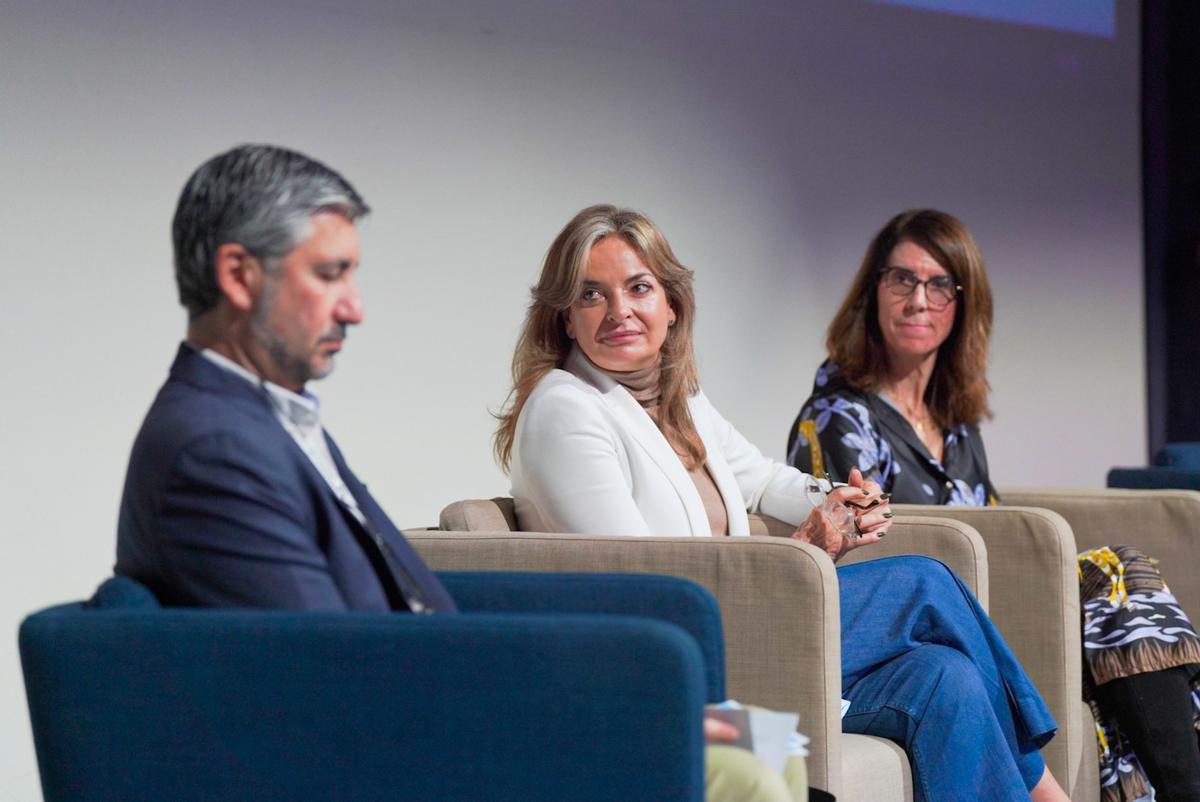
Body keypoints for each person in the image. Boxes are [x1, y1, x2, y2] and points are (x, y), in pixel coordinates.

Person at [495, 204, 1071, 802]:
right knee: (924, 584)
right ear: (565, 316)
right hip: (670, 669)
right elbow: (638, 584)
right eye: (592, 295)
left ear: (671, 304)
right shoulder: (566, 408)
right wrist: (799, 555)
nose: (620, 311)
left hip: (730, 636)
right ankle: (1047, 790)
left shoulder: (678, 401)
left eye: (638, 288)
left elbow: (766, 480)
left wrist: (837, 496)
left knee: (944, 678)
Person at [787, 208, 1200, 802]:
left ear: (962, 304)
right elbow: (871, 551)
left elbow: (991, 519)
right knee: (1118, 577)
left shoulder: (955, 419)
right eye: (900, 279)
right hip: (927, 619)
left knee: (1125, 606)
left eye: (939, 285)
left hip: (996, 604)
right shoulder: (837, 416)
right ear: (872, 293)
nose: (918, 300)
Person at [115, 143, 455, 613]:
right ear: (238, 276)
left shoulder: (266, 415)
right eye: (329, 274)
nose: (355, 310)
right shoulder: (216, 452)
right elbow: (329, 665)